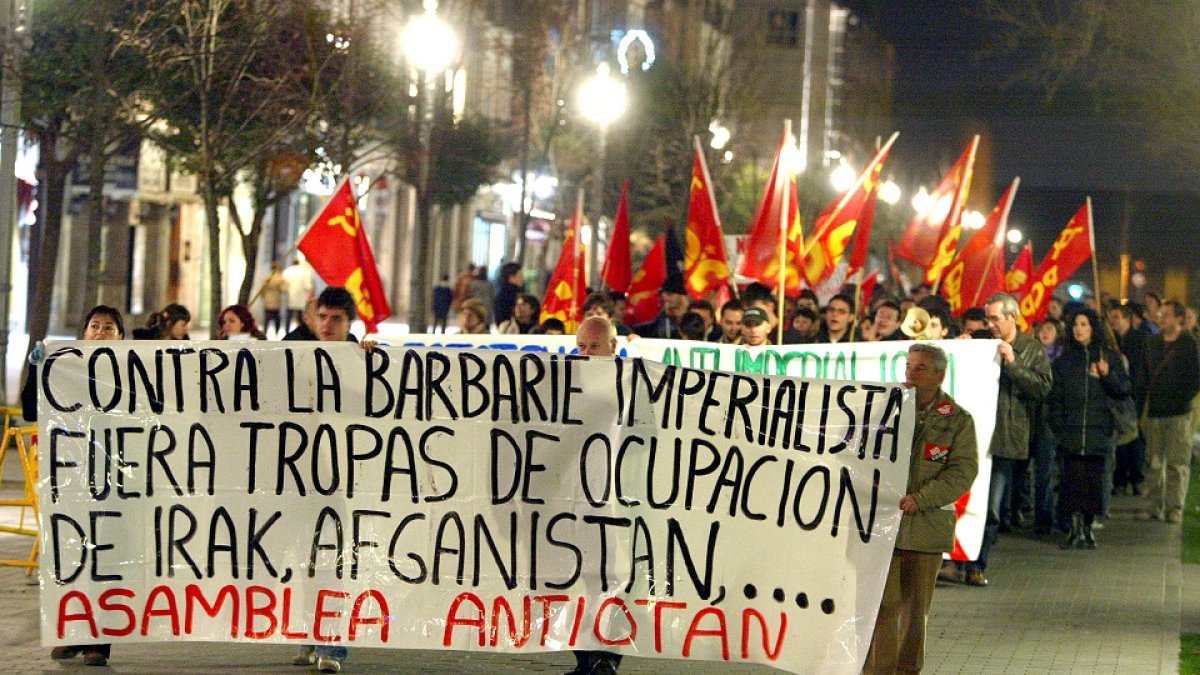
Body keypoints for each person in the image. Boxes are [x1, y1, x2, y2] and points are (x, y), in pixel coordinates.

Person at [863, 343, 978, 674]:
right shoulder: (887, 409)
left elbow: (962, 471)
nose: (911, 374)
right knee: (883, 606)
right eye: (909, 366)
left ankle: (907, 670)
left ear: (940, 375)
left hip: (926, 529)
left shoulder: (956, 420)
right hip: (884, 527)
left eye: (920, 368)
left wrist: (922, 498)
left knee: (915, 612)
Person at [32, 305, 125, 667]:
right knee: (71, 556)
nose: (99, 333)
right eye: (94, 326)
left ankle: (99, 643)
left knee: (107, 560)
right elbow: (30, 408)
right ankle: (70, 633)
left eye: (108, 328)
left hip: (116, 486)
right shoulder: (63, 369)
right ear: (83, 332)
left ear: (121, 337)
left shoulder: (131, 373)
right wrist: (37, 368)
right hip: (71, 483)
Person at [287, 287, 370, 673]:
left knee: (335, 563)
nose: (326, 324)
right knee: (307, 562)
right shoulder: (294, 354)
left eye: (336, 318)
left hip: (345, 484)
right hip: (301, 479)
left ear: (349, 323)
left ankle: (333, 646)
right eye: (322, 316)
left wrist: (370, 357)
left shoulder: (363, 359)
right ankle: (310, 633)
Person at [942, 293, 1051, 587]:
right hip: (970, 436)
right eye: (987, 318)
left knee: (990, 506)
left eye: (995, 319)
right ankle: (953, 561)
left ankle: (977, 564)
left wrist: (1013, 364)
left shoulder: (1030, 348)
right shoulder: (977, 341)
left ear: (1012, 317)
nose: (990, 324)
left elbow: (1041, 389)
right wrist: (958, 349)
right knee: (960, 499)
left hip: (1003, 439)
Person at [1048, 308, 1129, 548]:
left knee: (1093, 483)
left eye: (1083, 324)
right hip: (1071, 433)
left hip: (1097, 431)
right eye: (1075, 325)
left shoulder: (1108, 357)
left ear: (1093, 328)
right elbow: (1055, 399)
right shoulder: (1064, 361)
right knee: (1072, 483)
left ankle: (1088, 527)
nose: (1078, 329)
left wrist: (1107, 375)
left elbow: (1123, 389)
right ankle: (1074, 529)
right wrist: (1059, 427)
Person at [570, 316, 622, 675]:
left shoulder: (633, 382)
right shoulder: (567, 379)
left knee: (610, 577)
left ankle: (607, 657)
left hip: (616, 500)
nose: (586, 354)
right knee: (575, 577)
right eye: (581, 347)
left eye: (594, 347)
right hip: (573, 499)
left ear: (613, 348)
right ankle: (585, 658)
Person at [1140, 300, 1200, 523]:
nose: (1161, 318)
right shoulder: (1152, 342)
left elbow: (1195, 378)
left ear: (1179, 318)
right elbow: (1145, 375)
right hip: (1156, 411)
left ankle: (1175, 508)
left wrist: (1180, 398)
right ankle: (1154, 506)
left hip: (1180, 413)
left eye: (1166, 315)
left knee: (1177, 463)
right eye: (1160, 314)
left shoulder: (1189, 343)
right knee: (1154, 463)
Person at [1107, 304, 1147, 495]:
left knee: (1133, 441)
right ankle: (1120, 479)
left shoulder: (1138, 340)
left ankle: (1136, 478)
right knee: (1121, 442)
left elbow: (1139, 373)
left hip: (1132, 397)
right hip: (1117, 399)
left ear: (1127, 319)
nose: (1113, 321)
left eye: (1116, 317)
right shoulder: (1112, 341)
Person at [281, 258, 315, 330]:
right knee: (300, 317)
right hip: (300, 299)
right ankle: (301, 332)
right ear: (298, 263)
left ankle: (287, 331)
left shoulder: (286, 272)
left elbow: (282, 286)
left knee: (289, 316)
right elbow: (308, 287)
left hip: (289, 298)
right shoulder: (304, 272)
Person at [493, 262, 524, 326]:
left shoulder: (502, 293)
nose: (522, 278)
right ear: (511, 277)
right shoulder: (511, 295)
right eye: (520, 275)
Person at [261, 261, 286, 335]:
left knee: (267, 318)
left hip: (267, 300)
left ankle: (265, 331)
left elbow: (262, 289)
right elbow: (284, 289)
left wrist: (263, 296)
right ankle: (277, 332)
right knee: (276, 318)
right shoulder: (279, 277)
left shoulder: (267, 277)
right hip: (276, 300)